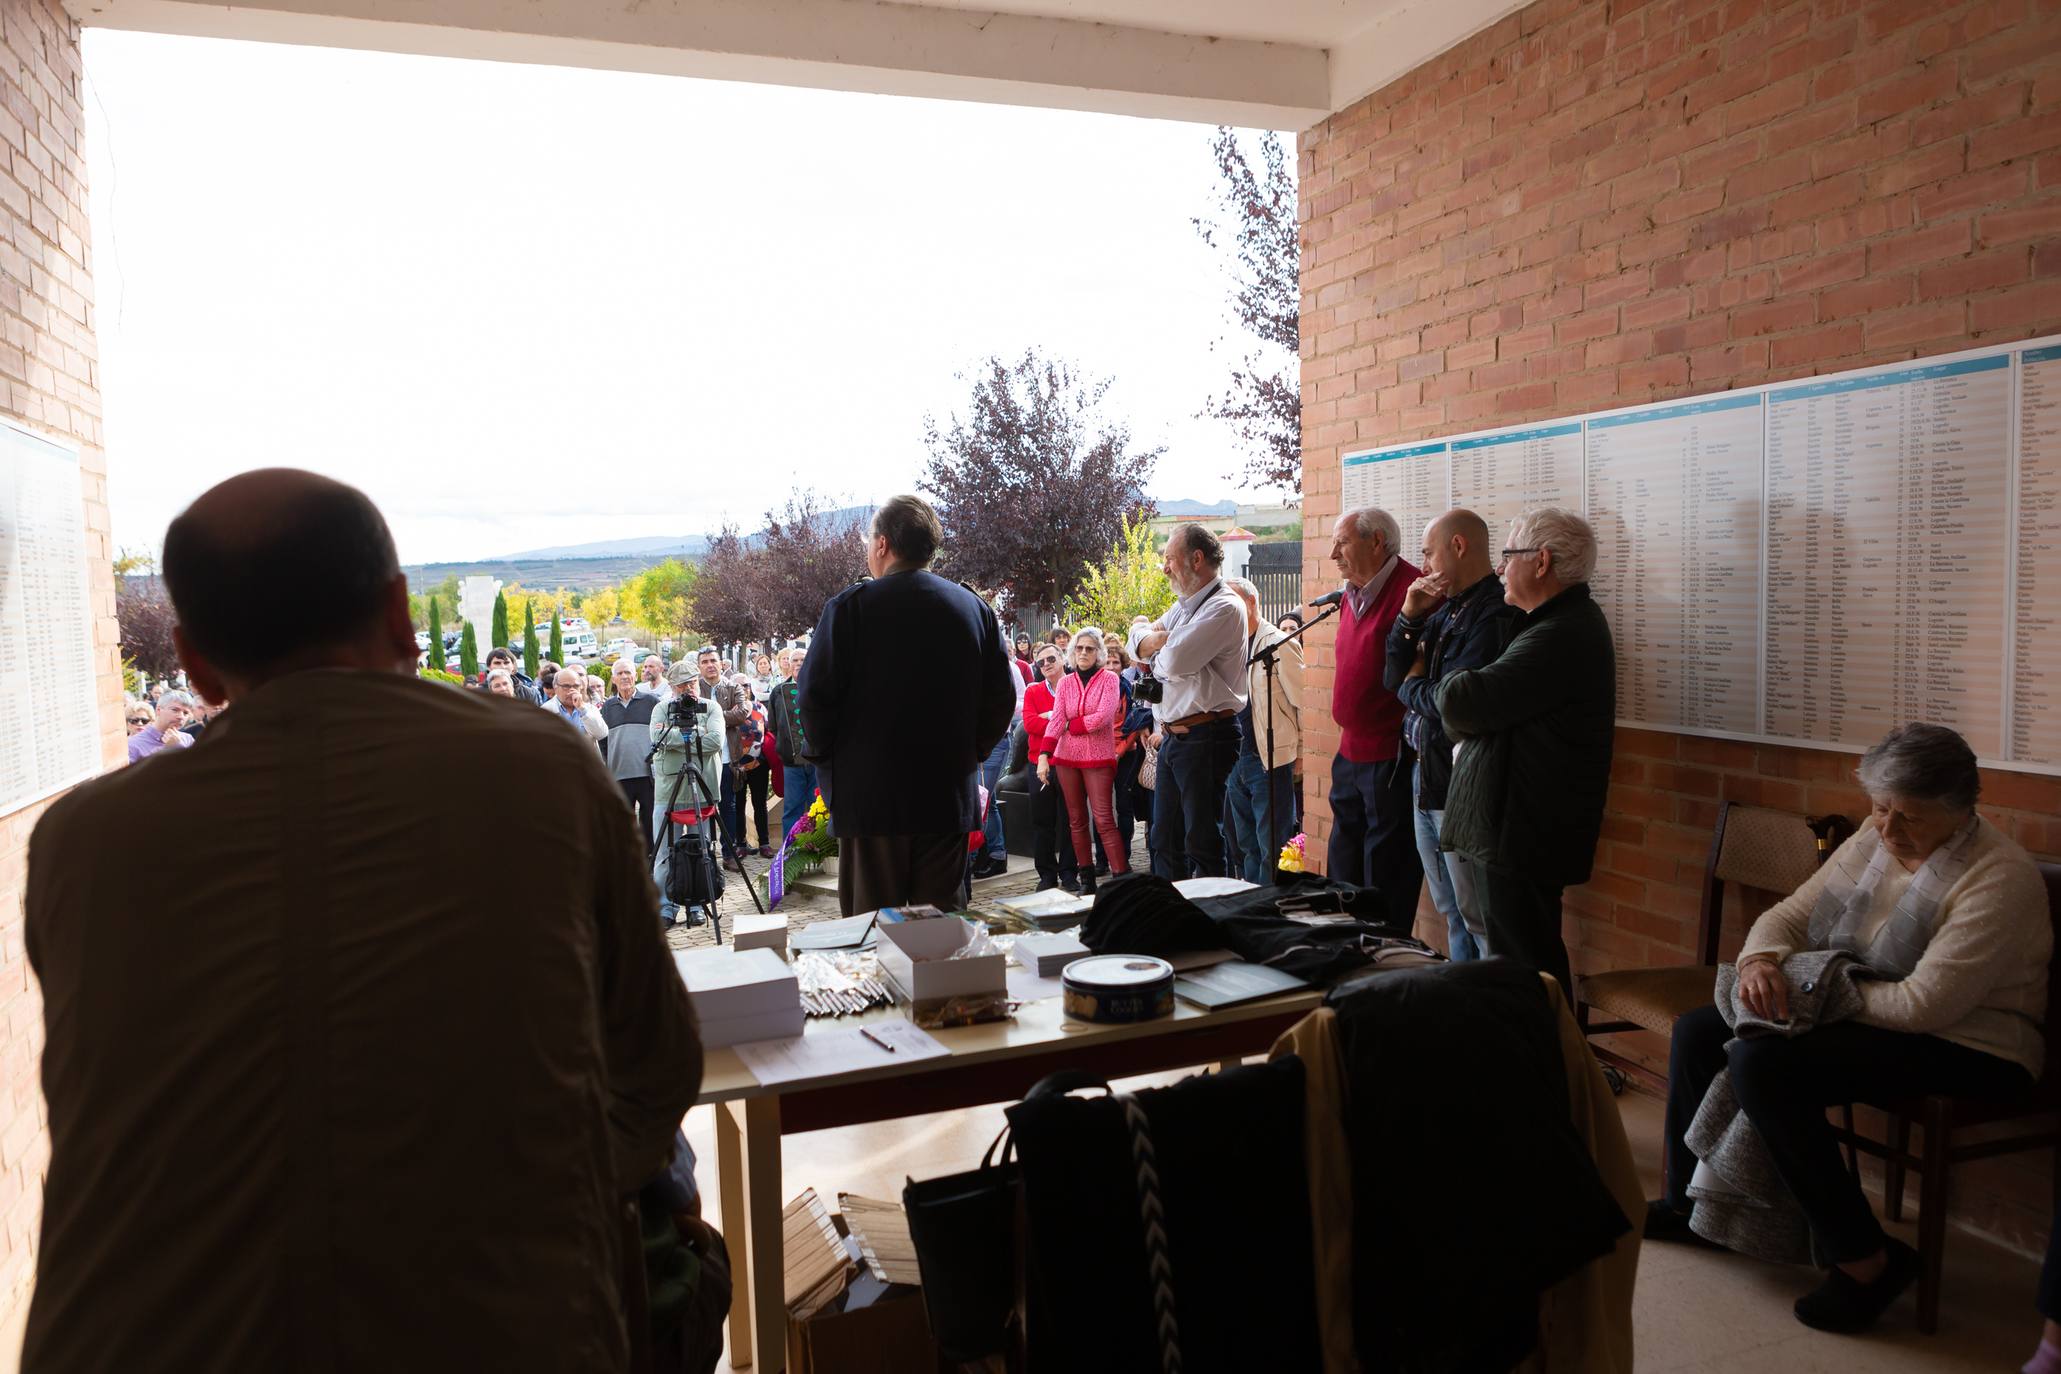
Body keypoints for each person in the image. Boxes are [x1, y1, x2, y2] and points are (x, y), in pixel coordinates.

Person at [23, 469, 704, 1370]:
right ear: (397, 612)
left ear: (189, 661)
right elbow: (657, 1069)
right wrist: (539, 1201)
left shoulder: (81, 839)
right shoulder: (537, 768)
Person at [1648, 723, 2049, 1335]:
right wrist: (1760, 962)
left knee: (1764, 1063)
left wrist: (1812, 992)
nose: (1888, 830)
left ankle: (1866, 1259)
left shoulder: (1999, 877)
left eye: (1909, 818)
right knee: (1702, 1030)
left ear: (1962, 810)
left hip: (1974, 1042)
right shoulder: (1874, 837)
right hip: (1871, 1006)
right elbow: (1786, 916)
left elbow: (1924, 1006)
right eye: (1881, 808)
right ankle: (1693, 1204)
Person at [797, 494, 1015, 915]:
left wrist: (833, 766)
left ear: (882, 545)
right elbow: (1001, 700)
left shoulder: (850, 609)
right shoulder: (974, 610)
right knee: (942, 935)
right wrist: (971, 754)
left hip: (871, 800)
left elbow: (813, 700)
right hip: (946, 795)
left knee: (875, 932)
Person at [1435, 507, 1613, 995]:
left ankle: (1544, 1064)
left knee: (1525, 967)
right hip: (1519, 824)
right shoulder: (1547, 623)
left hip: (1527, 829)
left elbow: (1461, 701)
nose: (1498, 568)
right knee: (1518, 959)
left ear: (1541, 562)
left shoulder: (1561, 633)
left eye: (1509, 556)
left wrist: (1444, 678)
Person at [1384, 509, 1522, 961]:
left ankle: (1485, 1008)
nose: (1421, 566)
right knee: (1450, 910)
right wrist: (1408, 616)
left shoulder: (1494, 614)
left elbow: (1453, 703)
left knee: (1476, 914)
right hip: (1425, 777)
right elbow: (1391, 677)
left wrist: (1413, 683)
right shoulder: (1442, 612)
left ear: (1458, 546)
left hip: (1459, 787)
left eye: (1427, 553)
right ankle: (1464, 1002)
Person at [1324, 506, 1424, 925]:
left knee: (1386, 870)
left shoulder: (1413, 591)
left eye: (1342, 542)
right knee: (1342, 865)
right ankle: (1343, 949)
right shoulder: (1351, 592)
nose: (1333, 555)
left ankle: (1383, 962)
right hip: (1350, 751)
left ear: (1377, 541)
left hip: (1390, 754)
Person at [1130, 524, 1247, 879]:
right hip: (1174, 738)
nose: (1164, 568)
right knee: (1163, 838)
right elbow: (1134, 637)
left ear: (1196, 559)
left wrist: (1156, 648)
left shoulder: (1224, 607)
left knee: (1203, 842)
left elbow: (1172, 662)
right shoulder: (1182, 608)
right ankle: (1172, 917)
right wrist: (1150, 640)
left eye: (1169, 558)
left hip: (1207, 736)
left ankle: (1208, 920)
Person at [1036, 627, 1130, 895]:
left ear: (1099, 653)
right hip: (1065, 759)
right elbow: (1055, 721)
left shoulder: (1109, 679)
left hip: (1098, 758)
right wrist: (1044, 754)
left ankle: (1121, 879)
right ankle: (1087, 881)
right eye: (1079, 648)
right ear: (1072, 652)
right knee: (1076, 821)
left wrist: (1069, 724)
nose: (1084, 653)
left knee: (1103, 819)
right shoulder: (1066, 682)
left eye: (1089, 648)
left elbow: (1103, 717)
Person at [1224, 576, 1301, 886]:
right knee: (1245, 845)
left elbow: (1303, 701)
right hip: (1234, 759)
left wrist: (1303, 753)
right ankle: (1253, 903)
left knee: (1272, 844)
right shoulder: (1229, 646)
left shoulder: (1279, 643)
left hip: (1268, 759)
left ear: (1252, 603)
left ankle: (1273, 907)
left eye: (1232, 604)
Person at [651, 660, 727, 927]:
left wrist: (682, 739)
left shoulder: (712, 707)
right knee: (664, 853)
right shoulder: (661, 709)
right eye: (683, 685)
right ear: (672, 687)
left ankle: (697, 904)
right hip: (668, 790)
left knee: (701, 849)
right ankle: (666, 907)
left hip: (702, 788)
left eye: (693, 682)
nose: (689, 689)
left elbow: (717, 740)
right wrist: (698, 736)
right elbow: (657, 740)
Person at [1022, 645, 1078, 892]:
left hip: (1070, 763)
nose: (1045, 664)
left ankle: (1069, 874)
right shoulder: (1032, 690)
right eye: (1040, 662)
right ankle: (1046, 875)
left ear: (1063, 658)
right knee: (1042, 823)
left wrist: (1049, 717)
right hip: (1039, 764)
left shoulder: (1076, 686)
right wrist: (1059, 719)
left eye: (1051, 659)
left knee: (1071, 821)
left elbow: (1079, 721)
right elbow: (1029, 724)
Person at [972, 610, 1022, 881]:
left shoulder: (1007, 667)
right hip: (972, 744)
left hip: (994, 742)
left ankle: (996, 854)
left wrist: (988, 730)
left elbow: (1015, 703)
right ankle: (987, 852)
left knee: (985, 797)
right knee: (979, 799)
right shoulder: (972, 662)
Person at [601, 659, 659, 857]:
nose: (624, 676)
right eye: (620, 673)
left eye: (628, 672)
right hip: (618, 774)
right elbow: (602, 742)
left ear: (636, 676)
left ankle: (649, 859)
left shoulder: (652, 702)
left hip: (647, 774)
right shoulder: (607, 707)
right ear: (614, 679)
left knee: (649, 818)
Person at [768, 646, 816, 842]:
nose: (798, 663)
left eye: (803, 660)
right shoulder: (778, 692)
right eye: (794, 660)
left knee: (818, 807)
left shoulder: (820, 687)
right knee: (792, 809)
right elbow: (773, 727)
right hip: (791, 762)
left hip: (817, 761)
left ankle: (822, 849)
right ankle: (791, 852)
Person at [729, 675, 773, 856]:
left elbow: (769, 732)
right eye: (739, 686)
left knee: (759, 804)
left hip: (758, 764)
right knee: (738, 805)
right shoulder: (728, 710)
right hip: (735, 766)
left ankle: (764, 843)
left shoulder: (760, 707)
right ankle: (740, 844)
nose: (744, 688)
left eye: (746, 685)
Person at [544, 662, 610, 748]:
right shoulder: (545, 711)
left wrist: (583, 710)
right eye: (566, 686)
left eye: (575, 686)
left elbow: (602, 734)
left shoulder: (588, 708)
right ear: (556, 687)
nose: (571, 690)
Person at [127, 691, 194, 763]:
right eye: (175, 710)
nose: (181, 717)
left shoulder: (188, 739)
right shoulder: (133, 745)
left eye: (185, 713)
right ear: (158, 710)